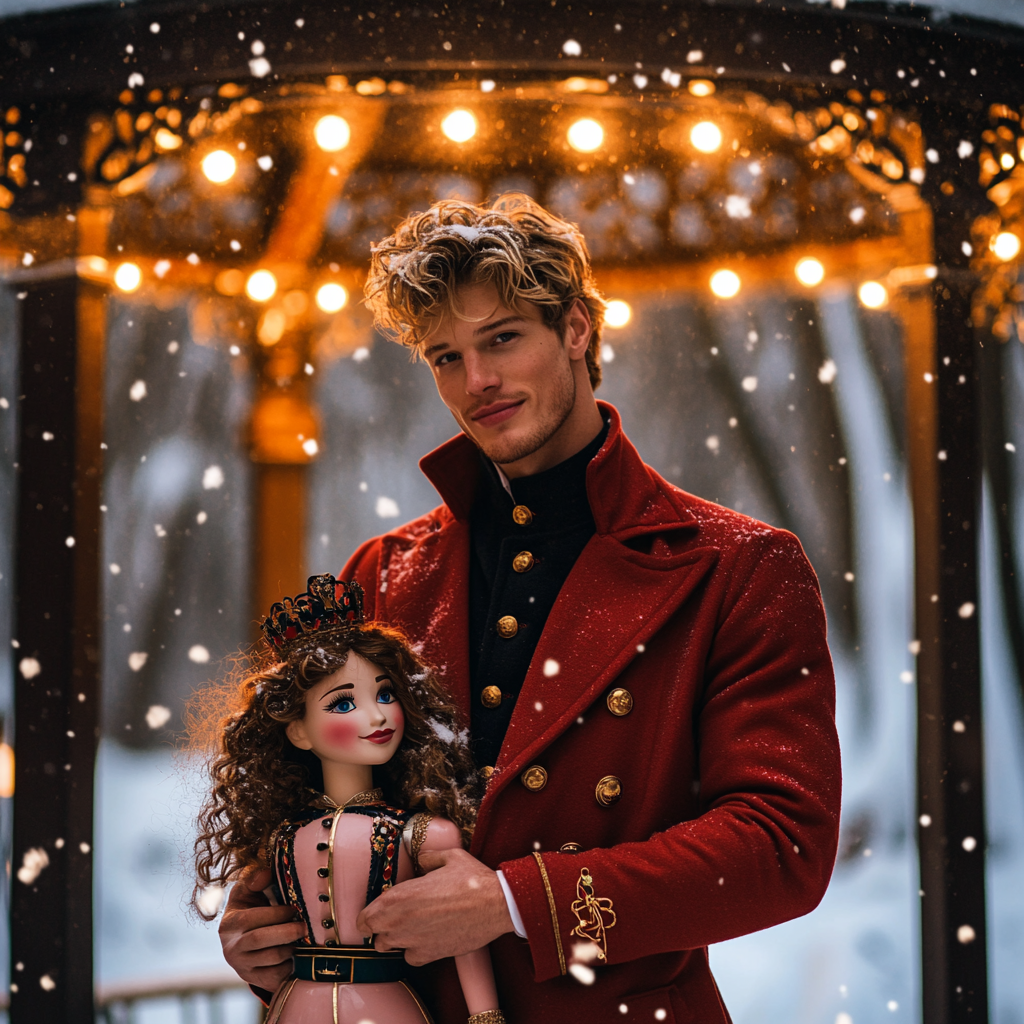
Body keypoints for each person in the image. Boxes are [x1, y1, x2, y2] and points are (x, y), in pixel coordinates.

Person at [218, 193, 842, 1024]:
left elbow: (781, 845)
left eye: (502, 339)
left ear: (576, 328)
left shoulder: (738, 567)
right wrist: (267, 930)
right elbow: (309, 805)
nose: (476, 382)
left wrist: (516, 903)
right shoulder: (382, 574)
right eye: (445, 356)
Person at [192, 574, 505, 1024]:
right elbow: (257, 931)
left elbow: (466, 934)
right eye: (343, 704)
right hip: (297, 1007)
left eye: (385, 694)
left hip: (387, 1008)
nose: (377, 715)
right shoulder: (279, 835)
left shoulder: (424, 833)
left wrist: (486, 1016)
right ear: (297, 730)